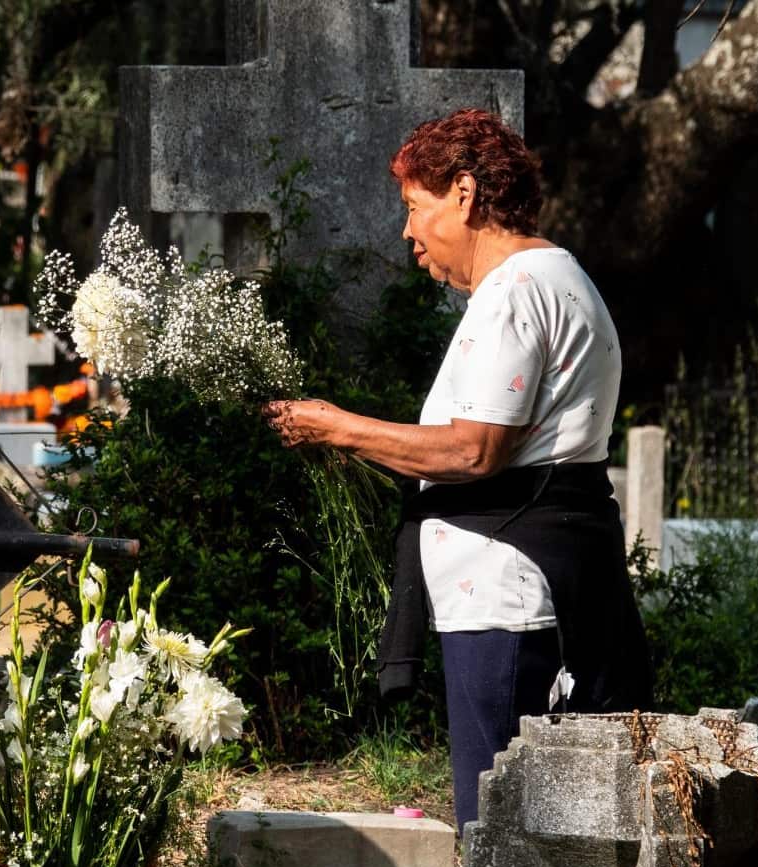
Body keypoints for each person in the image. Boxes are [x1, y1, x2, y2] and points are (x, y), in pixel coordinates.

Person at [263, 109, 649, 828]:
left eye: (416, 207)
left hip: (510, 593)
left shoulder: (515, 290)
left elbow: (473, 449)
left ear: (465, 196)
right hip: (533, 582)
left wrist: (338, 428)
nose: (409, 232)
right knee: (546, 823)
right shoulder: (556, 278)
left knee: (504, 826)